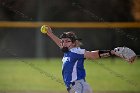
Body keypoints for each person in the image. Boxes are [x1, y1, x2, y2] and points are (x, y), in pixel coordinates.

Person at [43, 26, 118, 93]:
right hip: (73, 88)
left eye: (67, 41)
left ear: (73, 43)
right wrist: (50, 34)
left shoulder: (76, 51)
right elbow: (60, 43)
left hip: (80, 86)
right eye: (63, 41)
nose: (64, 43)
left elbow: (92, 55)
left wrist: (113, 52)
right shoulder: (67, 51)